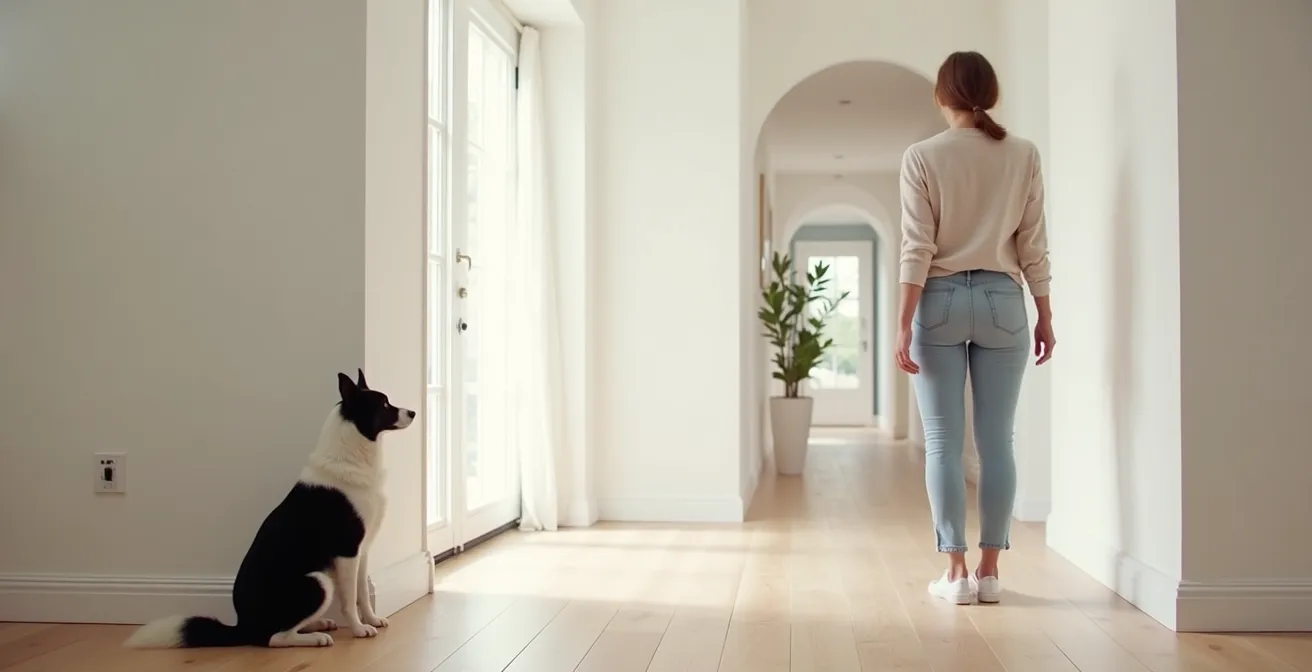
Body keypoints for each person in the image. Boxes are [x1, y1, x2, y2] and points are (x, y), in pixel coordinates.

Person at [894, 50, 1055, 605]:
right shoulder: (1023, 155)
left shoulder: (921, 156)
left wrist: (902, 323)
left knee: (942, 442)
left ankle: (955, 575)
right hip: (1002, 301)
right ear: (991, 93)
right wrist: (1045, 313)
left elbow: (917, 247)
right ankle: (990, 572)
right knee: (996, 442)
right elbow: (1032, 244)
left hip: (936, 298)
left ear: (942, 97)